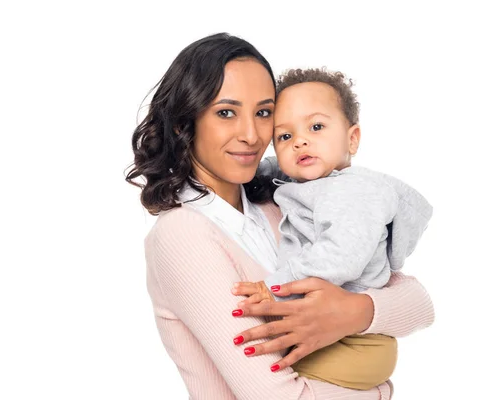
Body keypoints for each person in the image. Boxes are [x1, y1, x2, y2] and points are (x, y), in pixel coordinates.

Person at [126, 32, 434, 399]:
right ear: (183, 124)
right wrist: (380, 391)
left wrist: (353, 312)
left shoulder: (282, 202)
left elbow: (419, 303)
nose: (251, 135)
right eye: (226, 112)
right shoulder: (182, 236)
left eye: (264, 113)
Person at [236, 67, 433, 390]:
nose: (300, 141)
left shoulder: (353, 193)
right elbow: (273, 171)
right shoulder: (314, 183)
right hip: (343, 336)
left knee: (266, 365)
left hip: (354, 343)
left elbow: (341, 258)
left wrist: (273, 287)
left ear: (352, 139)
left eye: (316, 127)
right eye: (285, 136)